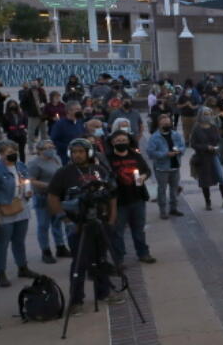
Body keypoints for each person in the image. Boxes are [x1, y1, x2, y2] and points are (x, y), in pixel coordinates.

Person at [47, 138, 126, 315]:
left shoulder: (99, 170)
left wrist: (112, 218)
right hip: (78, 225)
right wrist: (64, 220)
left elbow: (112, 194)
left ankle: (103, 293)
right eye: (74, 152)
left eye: (81, 151)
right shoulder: (63, 173)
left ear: (89, 153)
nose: (77, 155)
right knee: (79, 263)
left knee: (101, 260)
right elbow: (52, 197)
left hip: (100, 222)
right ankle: (76, 301)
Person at [0, 139, 35, 288]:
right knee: (2, 243)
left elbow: (27, 181)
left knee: (19, 240)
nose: (13, 155)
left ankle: (22, 267)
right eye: (9, 153)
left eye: (15, 152)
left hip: (22, 206)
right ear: (0, 154)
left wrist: (29, 191)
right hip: (4, 209)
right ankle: (0, 272)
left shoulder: (21, 166)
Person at [105, 130, 155, 263]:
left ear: (128, 141)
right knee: (117, 232)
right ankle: (119, 258)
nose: (121, 143)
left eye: (124, 140)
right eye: (118, 141)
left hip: (137, 197)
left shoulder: (135, 155)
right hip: (118, 201)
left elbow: (146, 170)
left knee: (138, 229)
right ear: (112, 142)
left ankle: (143, 253)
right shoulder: (107, 158)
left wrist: (143, 177)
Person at [29, 139, 68, 263]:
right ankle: (45, 251)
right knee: (43, 225)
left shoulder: (56, 158)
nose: (50, 149)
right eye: (46, 147)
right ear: (39, 151)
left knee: (57, 222)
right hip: (42, 197)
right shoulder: (35, 163)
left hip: (56, 196)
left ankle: (60, 246)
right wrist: (48, 185)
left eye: (52, 146)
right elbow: (32, 180)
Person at [145, 114, 186, 219]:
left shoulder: (175, 135)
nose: (167, 125)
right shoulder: (155, 137)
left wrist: (179, 151)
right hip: (162, 168)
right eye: (164, 123)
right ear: (159, 124)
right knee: (162, 189)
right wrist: (165, 154)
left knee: (174, 189)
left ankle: (173, 208)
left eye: (168, 123)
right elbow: (150, 153)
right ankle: (163, 211)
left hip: (175, 165)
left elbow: (182, 146)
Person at [190, 110, 223, 211]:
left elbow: (219, 139)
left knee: (221, 177)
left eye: (209, 114)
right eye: (205, 114)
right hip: (203, 157)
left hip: (215, 155)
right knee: (205, 180)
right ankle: (208, 202)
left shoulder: (213, 127)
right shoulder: (196, 128)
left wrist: (217, 147)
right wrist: (206, 147)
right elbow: (193, 144)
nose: (207, 116)